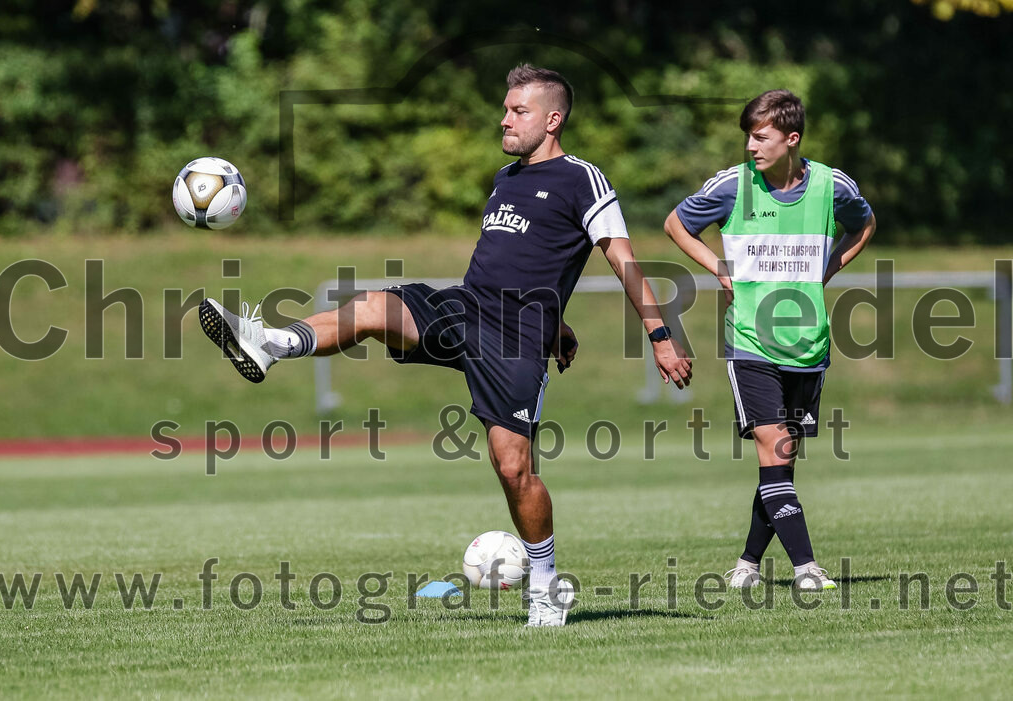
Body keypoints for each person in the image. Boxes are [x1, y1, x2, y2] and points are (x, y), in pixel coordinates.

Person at [199, 64, 693, 626]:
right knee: (373, 308)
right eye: (505, 109)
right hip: (466, 308)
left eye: (519, 111)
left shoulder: (583, 179)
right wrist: (559, 319)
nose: (505, 119)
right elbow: (524, 260)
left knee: (513, 468)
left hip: (515, 340)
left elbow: (622, 261)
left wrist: (659, 337)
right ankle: (269, 342)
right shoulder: (505, 178)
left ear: (553, 119)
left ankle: (545, 586)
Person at [665, 89, 875, 590]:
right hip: (750, 344)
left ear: (792, 138)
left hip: (809, 346)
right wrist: (719, 268)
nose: (750, 147)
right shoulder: (733, 186)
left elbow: (864, 224)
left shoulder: (831, 185)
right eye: (748, 137)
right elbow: (676, 224)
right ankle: (807, 569)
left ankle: (747, 565)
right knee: (775, 450)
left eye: (761, 138)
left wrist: (830, 266)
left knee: (780, 463)